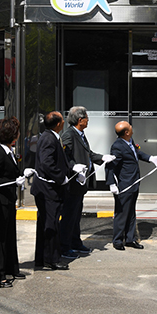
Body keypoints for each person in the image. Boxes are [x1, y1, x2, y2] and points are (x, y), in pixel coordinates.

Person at [60, 106, 115, 259]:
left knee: (76, 216)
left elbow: (88, 154)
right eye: (86, 118)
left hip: (81, 183)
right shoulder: (69, 135)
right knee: (69, 216)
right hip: (74, 183)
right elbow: (65, 156)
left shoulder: (80, 134)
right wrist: (74, 168)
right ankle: (65, 247)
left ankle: (75, 242)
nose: (88, 120)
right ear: (80, 120)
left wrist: (102, 158)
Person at [105, 121, 157, 250]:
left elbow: (136, 153)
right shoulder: (117, 146)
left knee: (131, 212)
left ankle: (130, 239)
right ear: (126, 132)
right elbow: (110, 166)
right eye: (130, 127)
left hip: (134, 183)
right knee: (121, 213)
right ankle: (118, 240)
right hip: (124, 185)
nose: (132, 128)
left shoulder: (130, 140)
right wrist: (111, 183)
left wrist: (150, 158)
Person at [31, 111, 71, 270]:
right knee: (51, 225)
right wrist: (61, 177)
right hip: (49, 190)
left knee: (47, 224)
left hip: (48, 189)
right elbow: (47, 163)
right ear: (58, 124)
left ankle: (42, 258)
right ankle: (51, 259)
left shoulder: (51, 136)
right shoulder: (48, 138)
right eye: (62, 120)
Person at [0, 117, 26, 287]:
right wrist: (13, 181)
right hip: (0, 201)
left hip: (9, 199)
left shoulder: (9, 151)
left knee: (10, 234)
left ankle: (11, 267)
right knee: (0, 237)